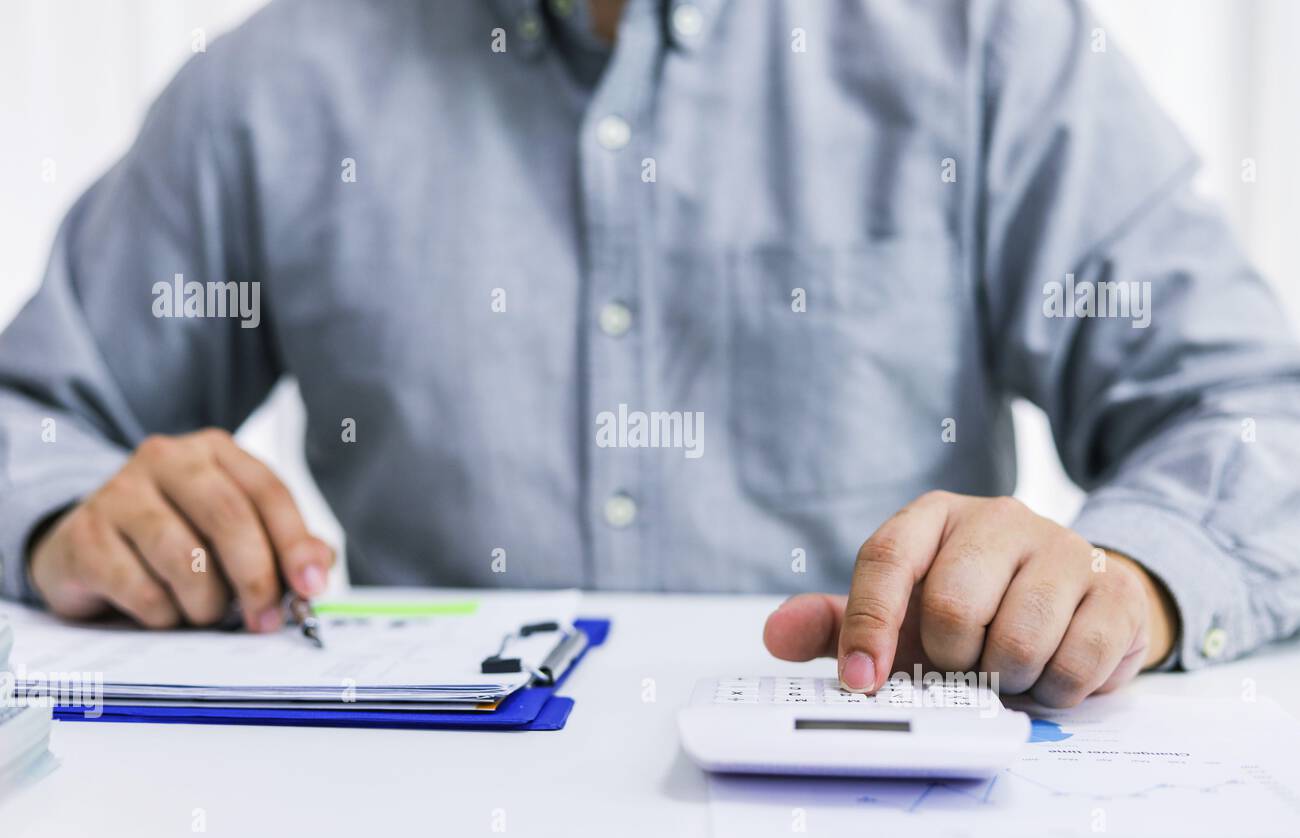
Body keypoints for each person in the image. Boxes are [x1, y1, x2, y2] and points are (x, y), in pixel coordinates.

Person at [2, 0, 1298, 707]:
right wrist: (71, 518)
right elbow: (31, 419)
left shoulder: (992, 50)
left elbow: (1255, 421)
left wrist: (1131, 580)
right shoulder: (275, 86)